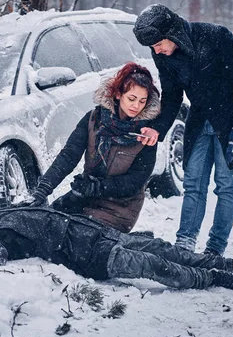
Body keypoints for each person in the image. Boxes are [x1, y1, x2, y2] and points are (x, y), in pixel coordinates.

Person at [132, 4, 233, 255]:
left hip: (231, 122)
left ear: (173, 33)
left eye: (158, 43)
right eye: (152, 48)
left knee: (226, 186)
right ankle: (185, 243)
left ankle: (215, 248)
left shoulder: (215, 37)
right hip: (200, 121)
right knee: (193, 184)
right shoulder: (163, 54)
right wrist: (158, 129)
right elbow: (172, 96)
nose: (156, 50)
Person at [0, 202, 233, 293]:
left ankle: (232, 261)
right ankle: (216, 278)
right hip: (91, 256)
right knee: (153, 266)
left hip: (97, 232)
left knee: (164, 247)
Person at [19, 62, 161, 233]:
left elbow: (135, 181)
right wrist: (43, 190)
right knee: (41, 223)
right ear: (117, 94)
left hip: (118, 209)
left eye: (142, 101)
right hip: (85, 196)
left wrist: (99, 187)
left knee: (71, 236)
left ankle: (136, 242)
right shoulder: (94, 119)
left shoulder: (147, 134)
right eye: (131, 98)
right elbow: (68, 156)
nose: (136, 106)